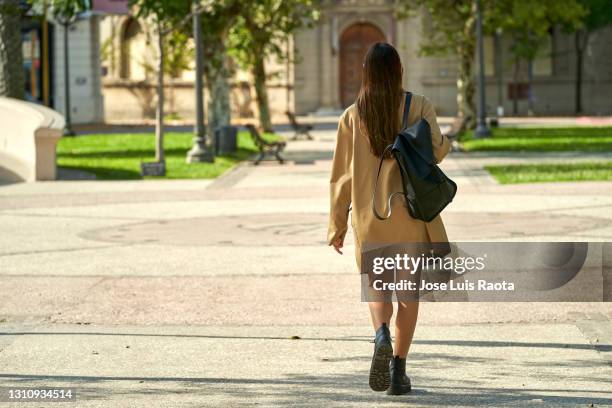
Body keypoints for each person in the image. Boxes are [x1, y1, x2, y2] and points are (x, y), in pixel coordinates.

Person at [327, 42, 451, 395]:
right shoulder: (418, 105)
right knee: (407, 295)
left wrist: (336, 226)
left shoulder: (352, 116)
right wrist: (448, 143)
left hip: (370, 217)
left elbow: (341, 178)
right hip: (410, 214)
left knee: (378, 288)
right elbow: (437, 152)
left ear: (365, 73)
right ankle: (398, 372)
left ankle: (380, 334)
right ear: (399, 70)